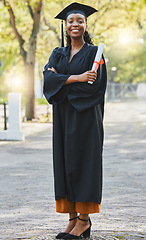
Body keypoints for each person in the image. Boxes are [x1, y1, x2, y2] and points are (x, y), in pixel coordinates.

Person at [43, 2, 107, 239]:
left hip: (86, 118)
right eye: (71, 21)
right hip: (62, 118)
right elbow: (47, 83)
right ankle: (71, 219)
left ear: (85, 25)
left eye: (80, 20)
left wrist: (62, 80)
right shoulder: (57, 53)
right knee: (64, 163)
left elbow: (94, 87)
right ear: (66, 25)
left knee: (84, 163)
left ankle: (84, 221)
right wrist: (77, 77)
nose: (75, 24)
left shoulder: (94, 53)